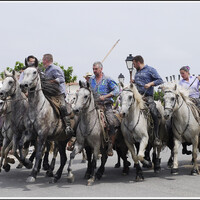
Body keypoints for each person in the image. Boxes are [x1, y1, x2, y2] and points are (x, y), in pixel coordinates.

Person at [89, 61, 120, 156]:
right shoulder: (91, 80)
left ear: (101, 69)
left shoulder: (108, 79)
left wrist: (106, 96)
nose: (94, 71)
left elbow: (117, 90)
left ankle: (110, 145)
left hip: (106, 105)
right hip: (94, 105)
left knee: (111, 122)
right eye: (93, 69)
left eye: (96, 69)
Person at [132, 55, 164, 146]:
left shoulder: (150, 69)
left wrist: (150, 84)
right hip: (138, 97)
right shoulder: (137, 72)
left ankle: (157, 136)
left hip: (147, 96)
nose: (133, 66)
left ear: (138, 62)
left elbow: (160, 80)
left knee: (154, 111)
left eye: (134, 64)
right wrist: (134, 82)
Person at [42, 53, 74, 138]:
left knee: (62, 107)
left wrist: (51, 81)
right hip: (49, 94)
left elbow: (62, 79)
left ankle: (67, 127)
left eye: (43, 60)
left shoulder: (54, 68)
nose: (42, 62)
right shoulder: (45, 70)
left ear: (46, 60)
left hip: (58, 94)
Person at [179, 66, 200, 155]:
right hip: (187, 101)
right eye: (181, 74)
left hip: (197, 100)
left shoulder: (195, 79)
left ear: (187, 72)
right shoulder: (180, 83)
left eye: (183, 73)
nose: (182, 75)